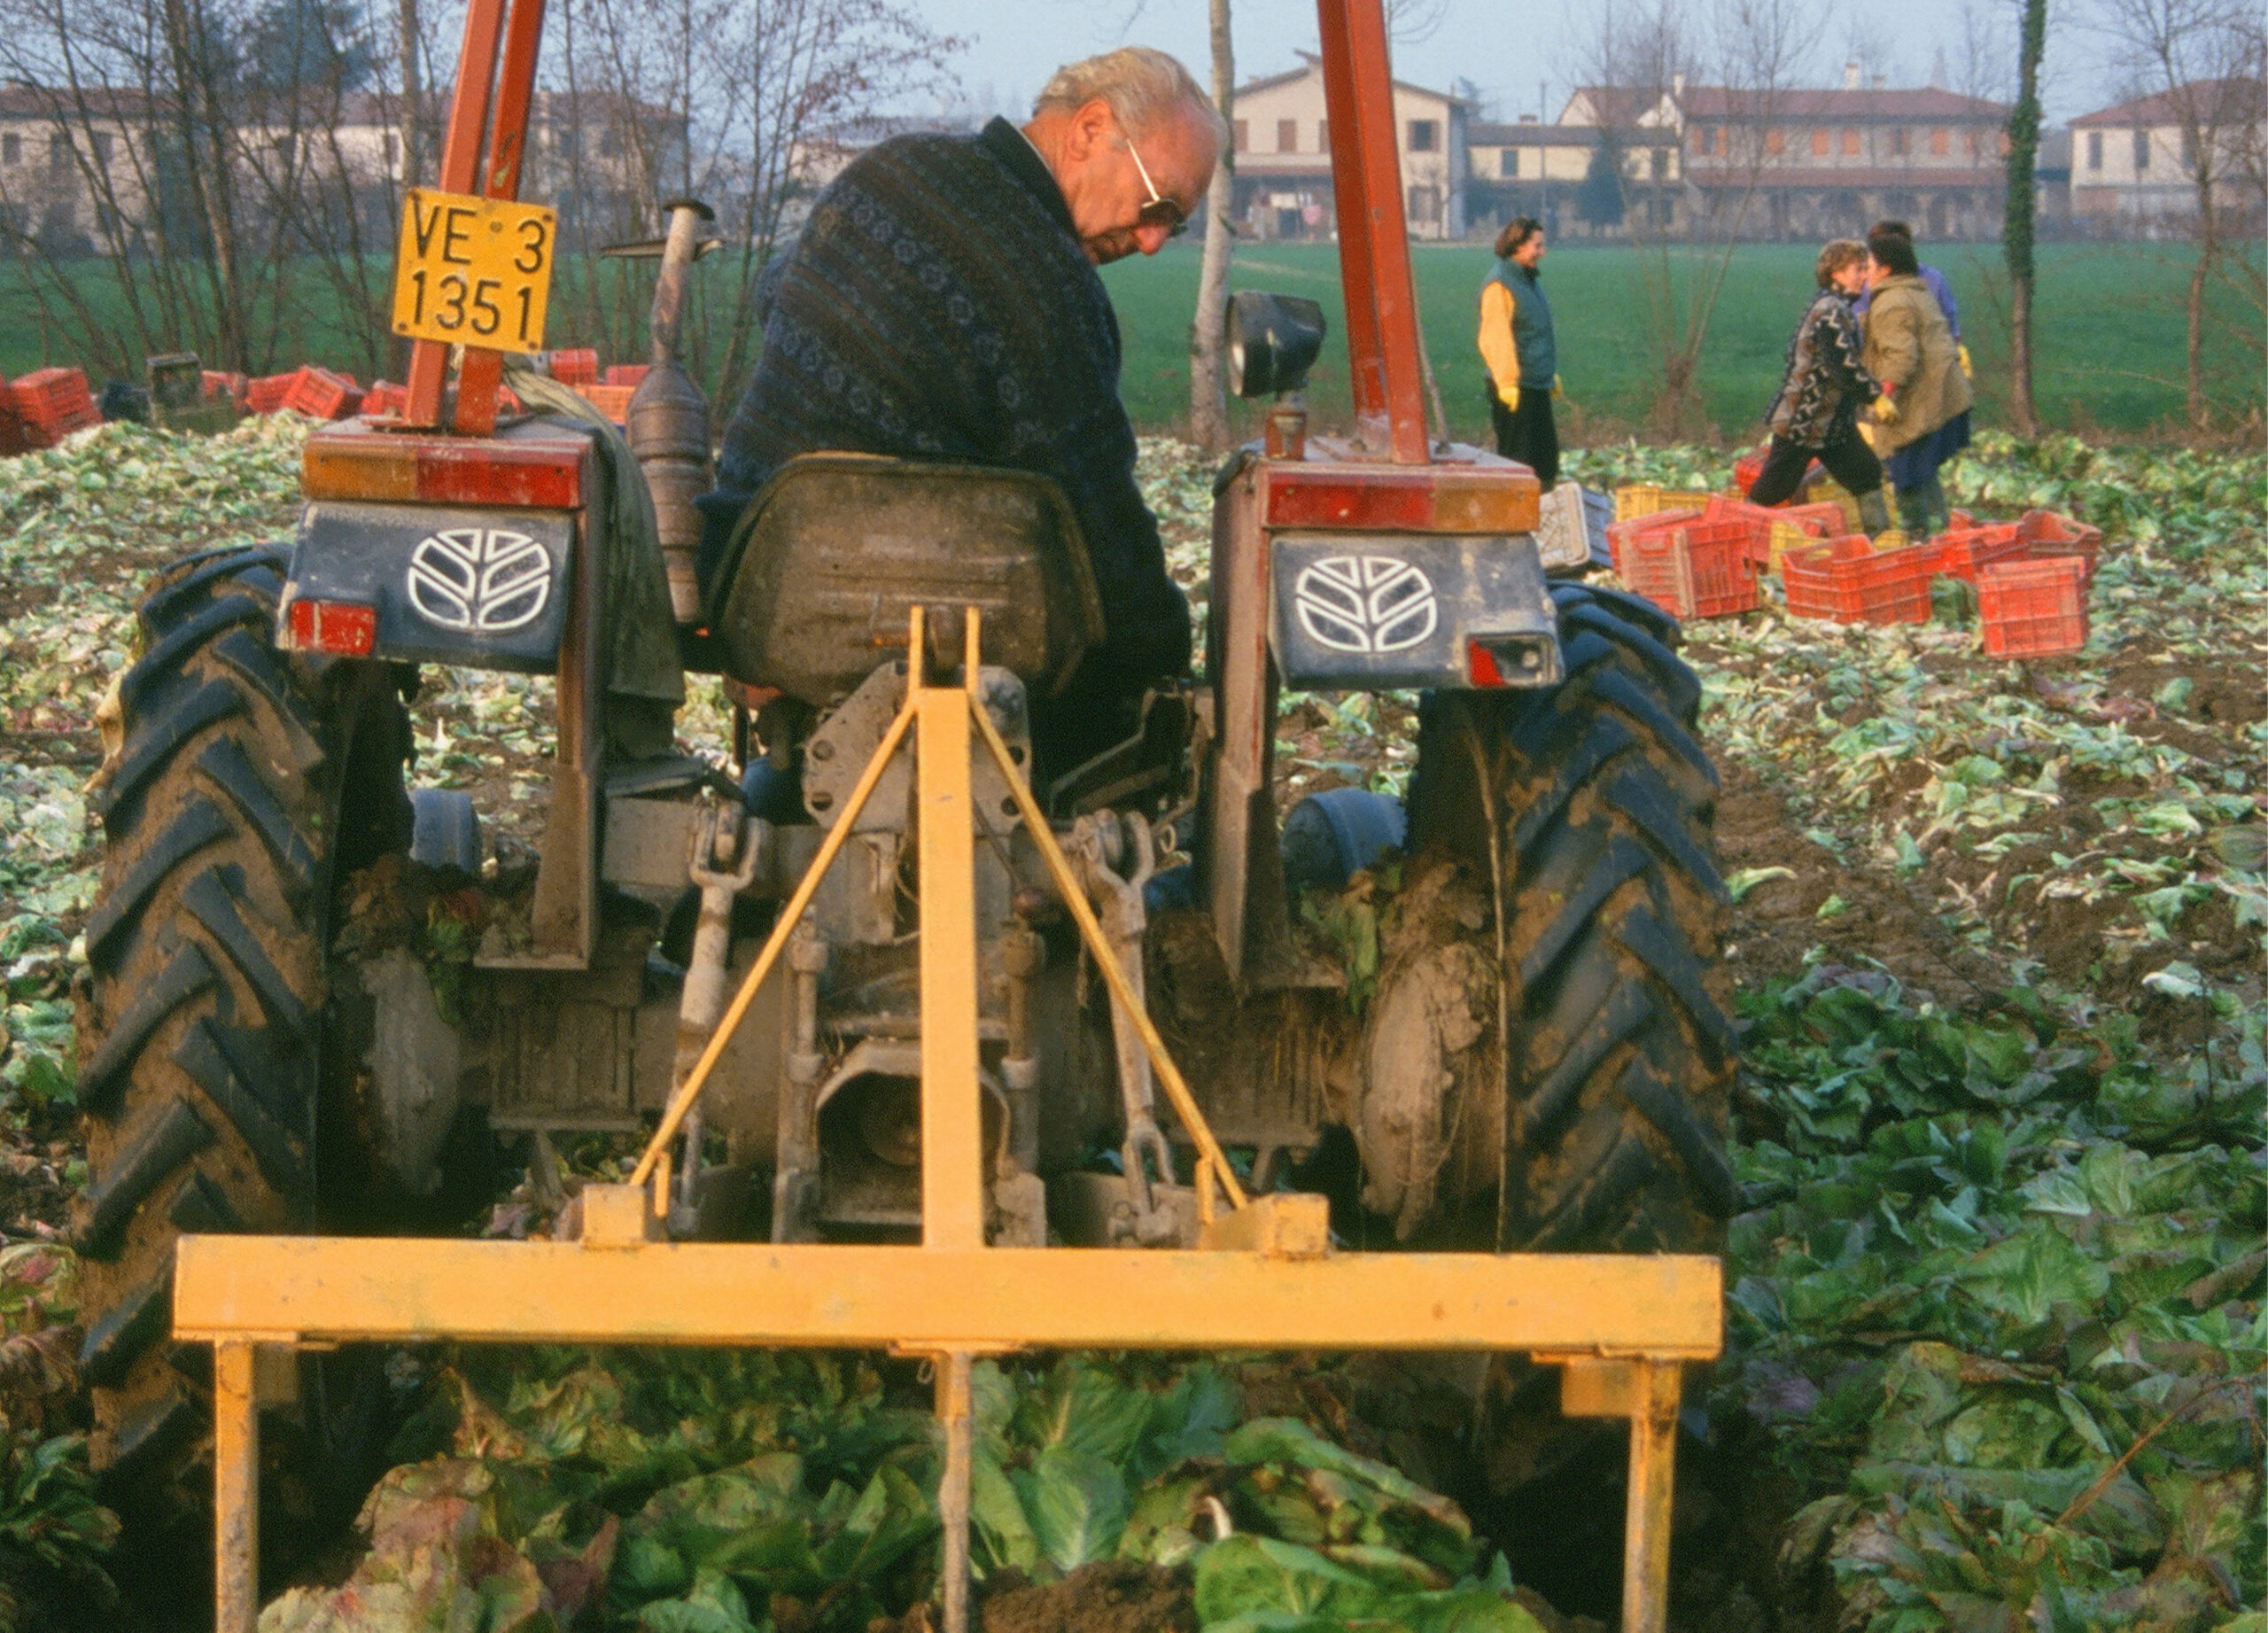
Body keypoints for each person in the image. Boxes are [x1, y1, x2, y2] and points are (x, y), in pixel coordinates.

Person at [701, 47, 1223, 776]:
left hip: (756, 603)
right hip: (934, 641)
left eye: (1176, 225)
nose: (1152, 240)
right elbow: (1104, 527)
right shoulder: (1054, 287)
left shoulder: (888, 169)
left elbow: (777, 291)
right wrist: (1165, 666)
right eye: (1158, 204)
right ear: (1090, 130)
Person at [1744, 239, 1894, 536]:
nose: (1864, 275)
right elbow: (1844, 365)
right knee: (1772, 490)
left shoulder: (1838, 308)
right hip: (1804, 420)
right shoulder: (1830, 311)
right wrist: (1875, 396)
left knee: (1866, 475)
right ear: (1836, 273)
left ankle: (1882, 546)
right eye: (1857, 269)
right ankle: (1736, 536)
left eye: (1866, 268)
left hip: (1832, 425)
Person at [1860, 226, 1972, 538]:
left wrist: (1883, 397)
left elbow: (1901, 359)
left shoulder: (1891, 302)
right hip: (1939, 396)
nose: (1866, 272)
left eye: (1868, 265)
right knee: (1924, 473)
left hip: (1921, 401)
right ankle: (1941, 536)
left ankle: (1918, 541)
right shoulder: (1913, 290)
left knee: (1906, 474)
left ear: (1885, 269)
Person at [1476, 217, 1559, 489]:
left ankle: (1543, 517)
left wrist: (1547, 374)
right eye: (1537, 246)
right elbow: (1495, 337)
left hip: (1534, 384)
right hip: (1513, 390)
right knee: (1520, 466)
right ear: (1517, 246)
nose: (1542, 252)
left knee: (1546, 463)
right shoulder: (1500, 284)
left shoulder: (1527, 280)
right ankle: (1516, 527)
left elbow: (1532, 332)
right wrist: (1508, 382)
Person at [1854, 219, 1970, 378]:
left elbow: (1951, 328)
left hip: (1930, 372)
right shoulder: (1863, 285)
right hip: (1881, 371)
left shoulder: (1933, 280)